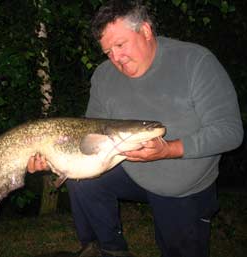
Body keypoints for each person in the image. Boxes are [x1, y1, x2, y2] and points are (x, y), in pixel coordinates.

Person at [28, 1, 244, 256]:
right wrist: (55, 158)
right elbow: (90, 136)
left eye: (120, 45)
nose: (116, 58)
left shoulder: (195, 62)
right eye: (108, 51)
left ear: (145, 30)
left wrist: (169, 150)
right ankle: (109, 249)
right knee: (82, 182)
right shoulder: (104, 75)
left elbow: (230, 132)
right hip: (128, 168)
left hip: (182, 185)